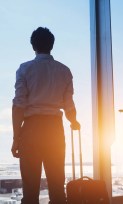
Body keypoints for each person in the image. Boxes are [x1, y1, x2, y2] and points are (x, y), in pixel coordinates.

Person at [11, 27, 80, 204]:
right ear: (52, 45)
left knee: (30, 189)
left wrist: (16, 137)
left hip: (31, 129)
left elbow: (19, 105)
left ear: (33, 45)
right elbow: (69, 105)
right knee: (57, 187)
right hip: (54, 129)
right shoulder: (64, 71)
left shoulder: (25, 69)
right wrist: (73, 121)